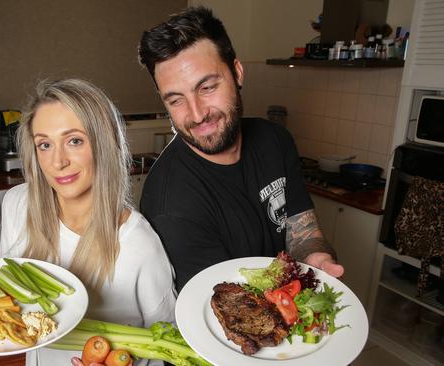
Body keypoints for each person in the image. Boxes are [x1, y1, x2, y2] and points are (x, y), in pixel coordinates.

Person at [137, 7, 344, 292]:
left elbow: (303, 233)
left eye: (207, 87)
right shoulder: (170, 202)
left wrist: (314, 257)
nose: (197, 114)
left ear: (237, 72)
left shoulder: (275, 140)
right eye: (176, 100)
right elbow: (222, 311)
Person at [0, 79, 176, 366]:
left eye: (74, 141)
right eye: (44, 144)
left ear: (103, 145)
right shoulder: (16, 206)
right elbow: (11, 299)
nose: (58, 161)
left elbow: (169, 344)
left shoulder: (139, 245)